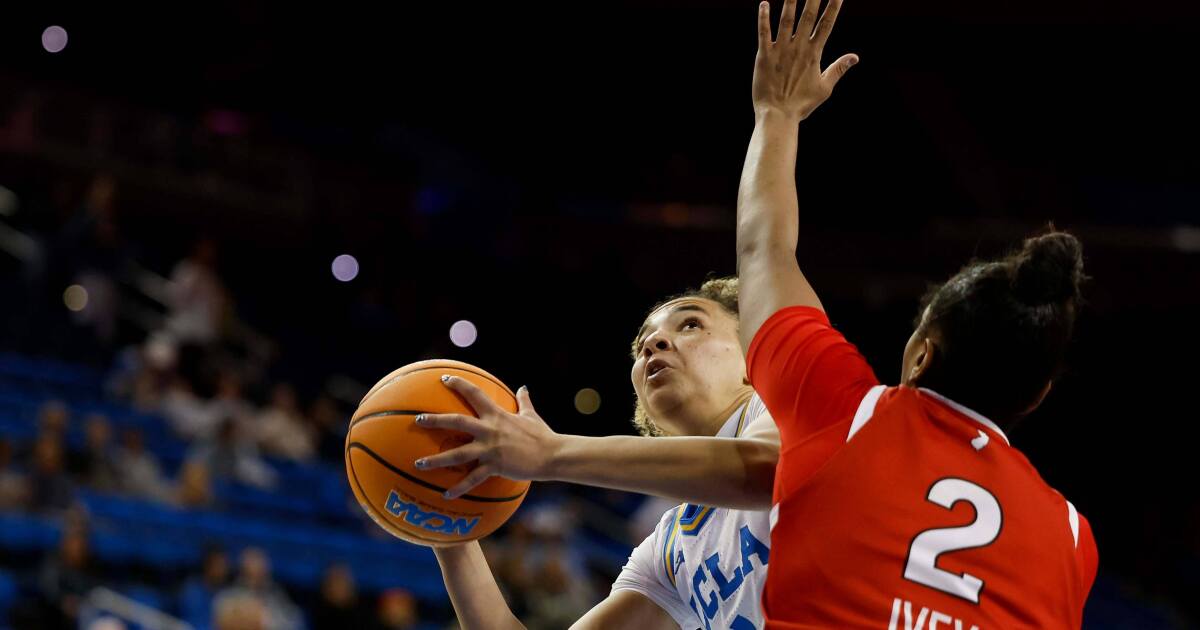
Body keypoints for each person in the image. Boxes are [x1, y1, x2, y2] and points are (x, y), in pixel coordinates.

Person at [735, 1, 1097, 627]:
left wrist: (777, 113)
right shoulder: (1071, 538)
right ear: (1037, 396)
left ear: (922, 352)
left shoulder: (844, 410)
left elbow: (764, 249)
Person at [423, 278, 777, 629]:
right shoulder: (670, 546)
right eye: (642, 346)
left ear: (753, 356)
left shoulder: (789, 400)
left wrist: (550, 453)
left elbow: (762, 469)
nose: (652, 344)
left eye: (690, 324)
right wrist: (450, 528)